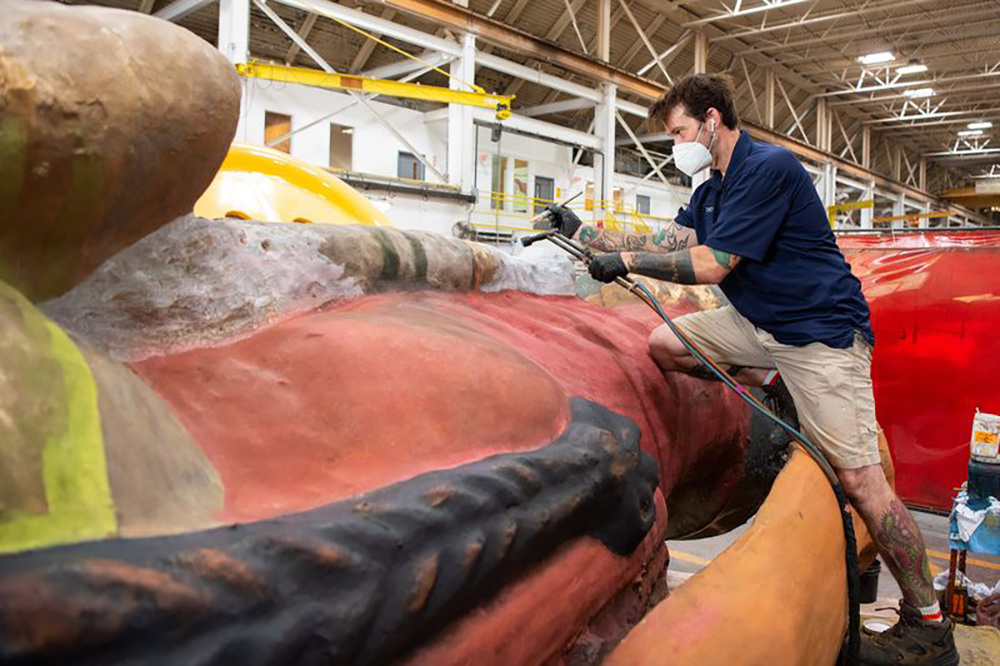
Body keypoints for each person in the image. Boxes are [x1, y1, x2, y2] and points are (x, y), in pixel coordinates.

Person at [545, 73, 958, 666]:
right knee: (667, 344)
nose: (675, 145)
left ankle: (930, 623)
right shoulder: (712, 188)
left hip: (818, 335)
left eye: (680, 132)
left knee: (864, 484)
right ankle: (773, 388)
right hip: (760, 329)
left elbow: (713, 264)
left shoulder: (768, 169)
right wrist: (585, 233)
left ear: (712, 120)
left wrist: (628, 261)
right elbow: (671, 236)